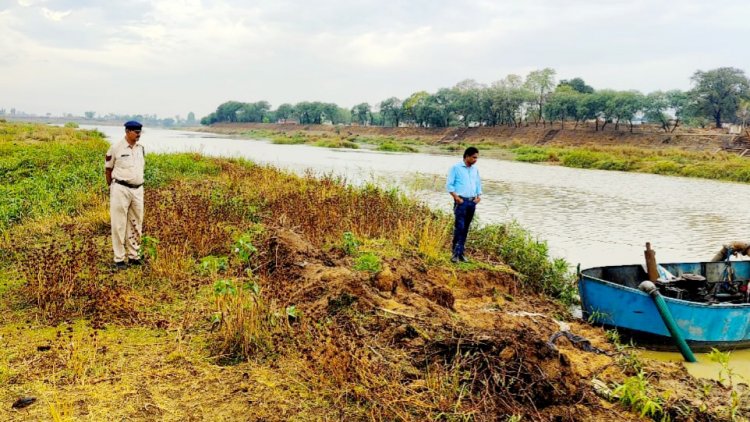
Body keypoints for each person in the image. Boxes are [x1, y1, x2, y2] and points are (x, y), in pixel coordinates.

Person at [105, 121, 146, 270]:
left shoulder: (141, 149)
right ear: (127, 131)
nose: (138, 134)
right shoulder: (116, 148)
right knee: (119, 224)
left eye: (140, 132)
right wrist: (112, 187)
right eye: (135, 132)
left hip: (138, 189)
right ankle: (119, 259)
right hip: (120, 188)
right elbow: (108, 170)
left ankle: (134, 256)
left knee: (136, 222)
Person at [446, 146, 482, 263]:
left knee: (466, 228)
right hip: (461, 202)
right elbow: (449, 185)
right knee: (459, 227)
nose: (476, 160)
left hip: (472, 202)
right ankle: (454, 254)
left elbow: (478, 184)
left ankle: (461, 253)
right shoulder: (456, 168)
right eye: (474, 157)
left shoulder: (475, 170)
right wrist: (456, 197)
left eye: (477, 158)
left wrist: (478, 196)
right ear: (467, 156)